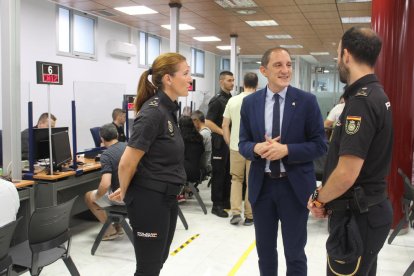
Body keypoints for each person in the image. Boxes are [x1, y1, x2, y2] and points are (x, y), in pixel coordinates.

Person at [308, 27, 393, 276]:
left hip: (357, 218)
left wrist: (319, 199)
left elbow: (347, 173)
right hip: (368, 211)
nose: (338, 61)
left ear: (346, 55)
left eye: (337, 55)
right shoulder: (376, 94)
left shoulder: (362, 101)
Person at [239, 47, 326, 275]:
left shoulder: (307, 101)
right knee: (265, 253)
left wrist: (286, 150)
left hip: (294, 188)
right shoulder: (250, 104)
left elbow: (320, 145)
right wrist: (256, 148)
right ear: (263, 70)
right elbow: (242, 144)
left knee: (295, 253)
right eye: (278, 65)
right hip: (262, 187)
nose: (285, 70)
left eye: (288, 64)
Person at [109, 53, 192, 276]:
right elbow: (127, 162)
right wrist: (124, 191)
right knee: (148, 268)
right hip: (149, 198)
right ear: (168, 78)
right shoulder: (153, 112)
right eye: (185, 73)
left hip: (167, 197)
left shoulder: (169, 109)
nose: (190, 79)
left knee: (158, 261)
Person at [222, 72, 258, 226]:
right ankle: (250, 215)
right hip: (253, 147)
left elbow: (225, 125)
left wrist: (230, 143)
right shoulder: (259, 101)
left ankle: (235, 212)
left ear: (243, 84)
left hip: (236, 147)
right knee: (251, 181)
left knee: (236, 180)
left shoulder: (232, 100)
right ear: (257, 85)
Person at [84, 123, 126, 240]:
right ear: (117, 135)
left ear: (101, 139)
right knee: (107, 192)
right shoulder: (127, 146)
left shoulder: (106, 155)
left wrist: (97, 197)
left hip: (121, 198)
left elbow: (105, 183)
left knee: (89, 196)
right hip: (133, 194)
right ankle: (119, 227)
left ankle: (110, 231)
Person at [206, 71, 234, 217]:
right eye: (229, 80)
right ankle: (216, 205)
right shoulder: (216, 101)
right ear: (221, 81)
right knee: (218, 174)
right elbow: (208, 122)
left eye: (233, 80)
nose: (232, 83)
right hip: (219, 143)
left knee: (227, 173)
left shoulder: (231, 99)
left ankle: (225, 201)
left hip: (229, 144)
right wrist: (223, 132)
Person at [191, 110, 212, 174]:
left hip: (204, 167)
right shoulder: (207, 131)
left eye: (192, 121)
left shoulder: (203, 134)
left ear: (196, 120)